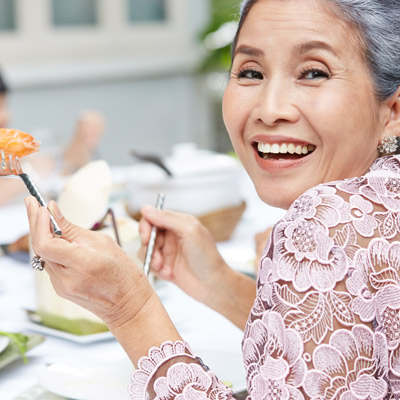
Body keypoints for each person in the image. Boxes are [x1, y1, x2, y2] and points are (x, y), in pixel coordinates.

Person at [25, 0, 400, 398]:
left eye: (313, 73)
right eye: (251, 72)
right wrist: (221, 285)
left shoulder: (323, 223)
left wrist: (130, 307)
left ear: (392, 110)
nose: (270, 110)